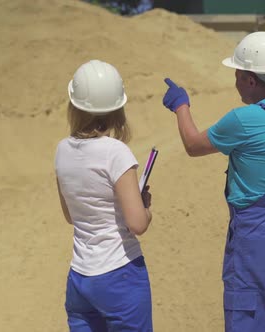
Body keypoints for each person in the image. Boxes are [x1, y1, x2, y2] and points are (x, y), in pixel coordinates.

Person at [161, 31, 265, 331]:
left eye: (237, 74)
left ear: (251, 79)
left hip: (257, 241)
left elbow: (192, 144)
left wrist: (181, 106)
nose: (234, 80)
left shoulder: (244, 119)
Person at [56, 59, 153, 332]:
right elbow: (137, 224)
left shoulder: (61, 150)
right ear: (116, 109)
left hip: (80, 279)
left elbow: (69, 215)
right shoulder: (116, 152)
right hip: (120, 275)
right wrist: (144, 206)